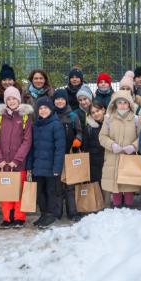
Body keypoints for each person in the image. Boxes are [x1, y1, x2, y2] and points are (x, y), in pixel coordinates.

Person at [0, 86, 34, 228]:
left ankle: (19, 217)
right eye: (8, 99)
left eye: (14, 98)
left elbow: (27, 141)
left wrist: (17, 160)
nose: (11, 101)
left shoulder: (25, 118)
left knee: (19, 191)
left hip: (18, 164)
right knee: (5, 191)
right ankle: (7, 217)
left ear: (19, 99)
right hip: (2, 164)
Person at [98, 91, 141, 208]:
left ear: (129, 104)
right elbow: (102, 137)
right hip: (113, 156)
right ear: (115, 104)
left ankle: (129, 205)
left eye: (125, 102)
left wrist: (133, 146)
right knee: (115, 183)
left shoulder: (136, 119)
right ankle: (117, 205)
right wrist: (112, 145)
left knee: (128, 183)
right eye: (119, 102)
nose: (122, 105)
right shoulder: (108, 119)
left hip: (129, 157)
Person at [30, 97, 66, 229]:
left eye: (45, 108)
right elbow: (32, 147)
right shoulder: (36, 125)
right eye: (40, 108)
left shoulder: (56, 124)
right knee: (40, 192)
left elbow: (60, 148)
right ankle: (43, 213)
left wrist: (57, 167)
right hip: (38, 167)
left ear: (51, 109)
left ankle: (51, 214)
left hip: (51, 167)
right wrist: (30, 166)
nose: (43, 110)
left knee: (51, 191)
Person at [53, 89, 84, 221]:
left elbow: (80, 131)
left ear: (66, 100)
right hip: (55, 156)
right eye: (57, 99)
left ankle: (72, 211)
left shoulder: (72, 116)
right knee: (57, 185)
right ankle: (57, 212)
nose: (60, 101)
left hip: (70, 154)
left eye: (62, 99)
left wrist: (78, 138)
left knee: (71, 185)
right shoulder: (51, 115)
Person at [82, 102, 108, 184]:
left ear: (103, 110)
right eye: (93, 112)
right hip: (94, 164)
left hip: (109, 161)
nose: (96, 114)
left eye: (97, 111)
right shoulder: (88, 128)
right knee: (97, 189)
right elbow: (85, 147)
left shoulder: (111, 124)